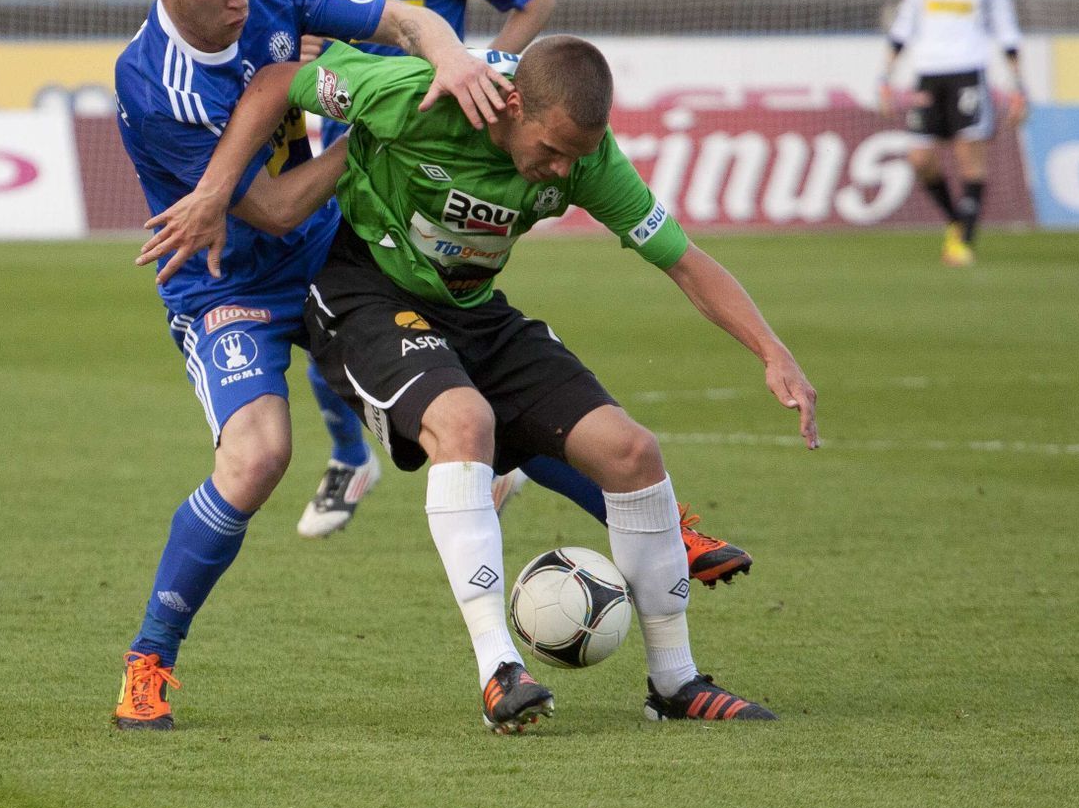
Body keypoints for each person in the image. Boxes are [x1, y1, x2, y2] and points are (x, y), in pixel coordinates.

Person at [142, 36, 818, 731]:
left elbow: (680, 259)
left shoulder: (585, 159)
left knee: (631, 451)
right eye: (550, 150)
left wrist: (771, 351)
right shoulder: (414, 96)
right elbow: (279, 80)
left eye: (575, 157)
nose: (559, 170)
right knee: (465, 422)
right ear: (514, 103)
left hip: (472, 311)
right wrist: (213, 194)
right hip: (362, 296)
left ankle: (673, 684)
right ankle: (499, 669)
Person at [267, 0, 752, 583]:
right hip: (349, 159)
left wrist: (499, 74)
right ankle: (353, 456)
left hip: (440, 157)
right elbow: (279, 40)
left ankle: (632, 511)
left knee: (461, 380)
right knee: (314, 317)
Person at [111, 0, 508, 731]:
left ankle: (657, 519)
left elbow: (406, 21)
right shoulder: (153, 84)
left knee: (468, 390)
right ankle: (149, 660)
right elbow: (276, 209)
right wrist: (377, 126)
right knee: (256, 459)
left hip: (336, 256)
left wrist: (451, 58)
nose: (241, 0)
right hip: (228, 285)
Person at [881, 0, 1027, 267]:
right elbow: (903, 27)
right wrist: (885, 77)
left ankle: (962, 241)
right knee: (920, 158)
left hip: (968, 72)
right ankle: (955, 220)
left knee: (969, 157)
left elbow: (1007, 33)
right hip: (928, 73)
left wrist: (1018, 86)